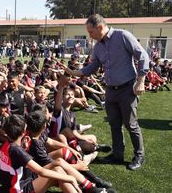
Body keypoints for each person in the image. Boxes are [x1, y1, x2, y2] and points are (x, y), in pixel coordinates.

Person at [62, 14, 149, 170]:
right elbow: (92, 67)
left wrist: (141, 81)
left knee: (131, 124)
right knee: (114, 124)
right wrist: (74, 73)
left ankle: (139, 155)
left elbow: (142, 56)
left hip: (127, 89)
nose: (90, 35)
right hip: (110, 91)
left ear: (100, 27)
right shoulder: (98, 47)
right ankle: (117, 155)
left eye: (91, 32)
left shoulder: (122, 36)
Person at [0, 114, 81, 193]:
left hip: (20, 182)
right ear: (23, 132)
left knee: (57, 167)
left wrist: (23, 148)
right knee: (58, 171)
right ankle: (85, 186)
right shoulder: (16, 150)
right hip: (19, 189)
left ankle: (83, 186)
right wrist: (70, 178)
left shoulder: (6, 145)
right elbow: (41, 171)